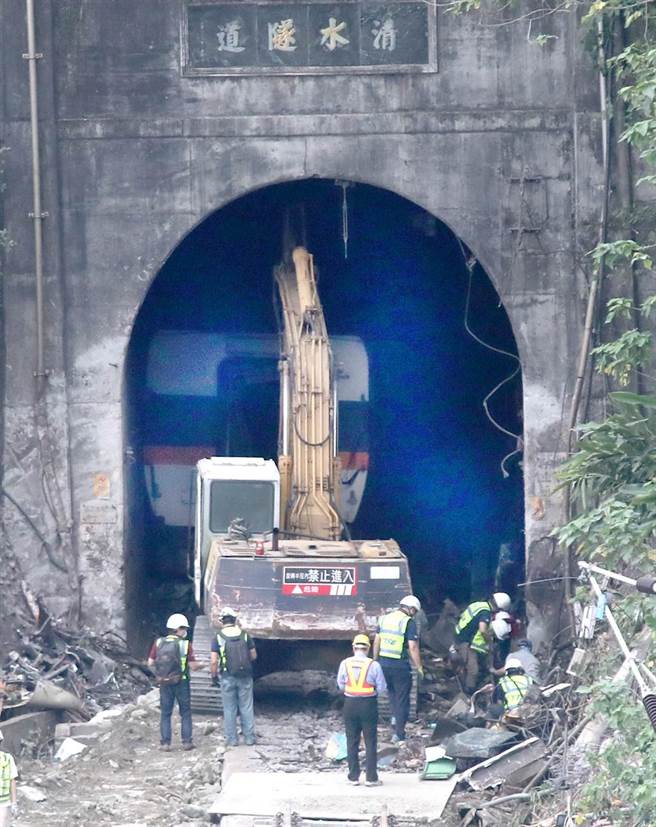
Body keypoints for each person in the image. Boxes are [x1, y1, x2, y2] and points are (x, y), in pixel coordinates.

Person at [337, 634, 387, 787]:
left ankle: (353, 777)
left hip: (350, 704)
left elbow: (340, 684)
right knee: (370, 741)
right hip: (368, 704)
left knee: (352, 740)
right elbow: (382, 688)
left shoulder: (345, 663)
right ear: (368, 648)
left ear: (353, 648)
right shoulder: (374, 665)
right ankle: (371, 778)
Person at [148, 613, 202, 751]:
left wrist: (161, 674)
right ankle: (186, 742)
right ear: (178, 629)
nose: (185, 631)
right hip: (181, 682)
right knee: (185, 712)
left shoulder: (158, 643)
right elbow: (193, 666)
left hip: (164, 683)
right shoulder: (185, 645)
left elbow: (150, 662)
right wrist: (202, 665)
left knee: (165, 713)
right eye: (184, 628)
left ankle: (165, 744)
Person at [373, 595, 423, 743]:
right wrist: (419, 667)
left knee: (392, 695)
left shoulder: (384, 619)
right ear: (411, 608)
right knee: (402, 699)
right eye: (415, 611)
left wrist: (375, 660)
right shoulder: (408, 622)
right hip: (400, 666)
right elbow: (413, 647)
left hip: (384, 664)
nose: (414, 614)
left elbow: (377, 640)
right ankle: (399, 734)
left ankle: (395, 721)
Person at [210, 607, 257, 747]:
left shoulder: (218, 637)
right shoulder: (244, 635)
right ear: (234, 620)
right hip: (245, 676)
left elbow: (213, 661)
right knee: (246, 707)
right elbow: (254, 655)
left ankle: (232, 740)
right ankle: (249, 739)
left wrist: (214, 677)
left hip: (227, 676)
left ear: (222, 621)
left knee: (229, 709)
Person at [452, 592, 511, 693]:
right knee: (473, 670)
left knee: (469, 664)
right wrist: (490, 641)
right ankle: (469, 692)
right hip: (466, 641)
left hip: (458, 634)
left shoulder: (478, 604)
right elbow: (483, 630)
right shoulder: (485, 612)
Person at [0, 730, 18, 827]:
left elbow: (12, 781)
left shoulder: (8, 759)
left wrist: (14, 803)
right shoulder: (8, 758)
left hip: (3, 802)